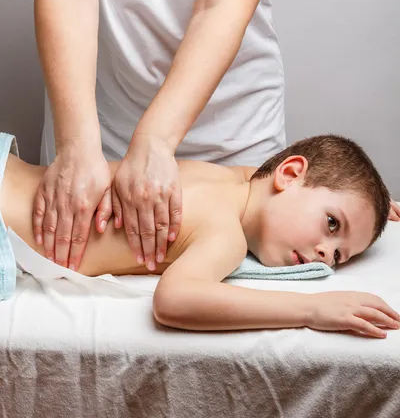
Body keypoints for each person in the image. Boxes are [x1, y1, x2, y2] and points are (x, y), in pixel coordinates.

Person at [24, 0, 301, 274]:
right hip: (96, 142)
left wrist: (155, 140)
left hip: (231, 144)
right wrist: (77, 146)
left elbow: (220, 6)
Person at [1, 131, 399, 338]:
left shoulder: (225, 178)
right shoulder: (227, 235)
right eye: (332, 224)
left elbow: (264, 176)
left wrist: (375, 206)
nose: (324, 253)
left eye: (339, 255)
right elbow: (174, 300)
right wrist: (313, 310)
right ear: (290, 173)